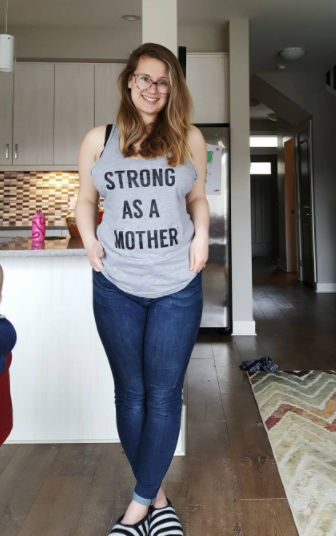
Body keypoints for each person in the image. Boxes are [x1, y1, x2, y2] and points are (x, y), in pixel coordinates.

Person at [75, 42, 209, 536]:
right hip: (115, 284)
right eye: (144, 79)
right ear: (129, 81)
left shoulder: (189, 138)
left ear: (172, 89)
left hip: (176, 284)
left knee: (165, 395)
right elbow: (86, 200)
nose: (153, 88)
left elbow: (197, 199)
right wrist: (89, 240)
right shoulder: (99, 139)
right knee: (130, 394)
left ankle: (135, 514)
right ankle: (160, 501)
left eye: (163, 81)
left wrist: (203, 238)